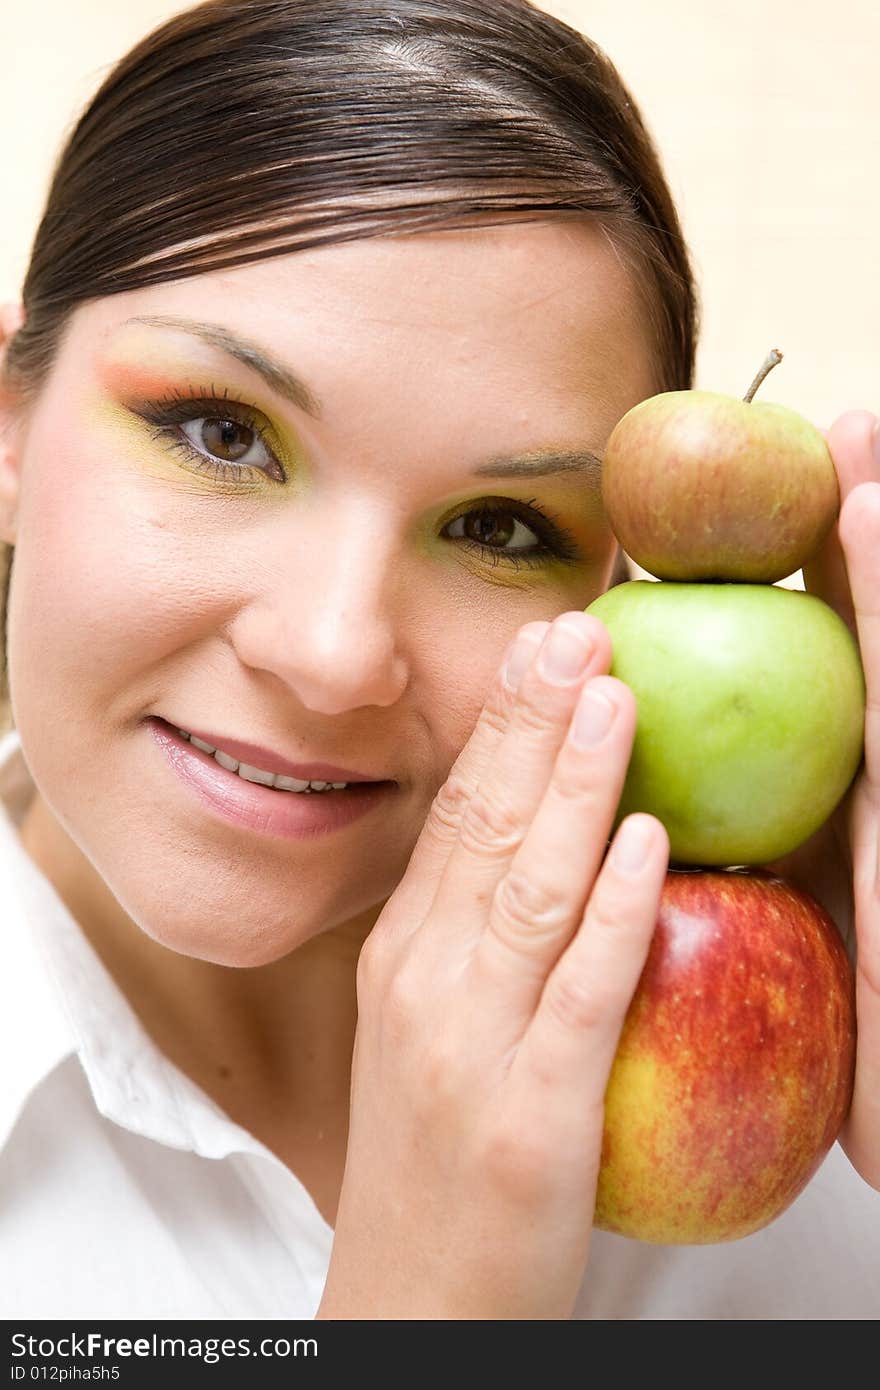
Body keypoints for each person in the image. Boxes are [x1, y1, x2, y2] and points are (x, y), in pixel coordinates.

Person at [0, 0, 876, 1321]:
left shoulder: (809, 1120)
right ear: (9, 428)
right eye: (224, 436)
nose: (334, 653)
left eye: (499, 527)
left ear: (620, 591)